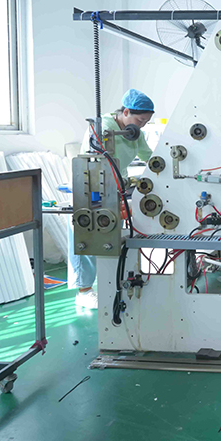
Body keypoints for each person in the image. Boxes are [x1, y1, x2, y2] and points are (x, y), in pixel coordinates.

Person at [69, 89, 155, 309]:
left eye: (146, 122)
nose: (142, 126)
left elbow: (150, 158)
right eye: (139, 120)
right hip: (93, 186)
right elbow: (96, 160)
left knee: (114, 234)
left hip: (118, 185)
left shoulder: (136, 133)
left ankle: (115, 281)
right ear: (125, 112)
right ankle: (84, 290)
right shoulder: (102, 128)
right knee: (88, 232)